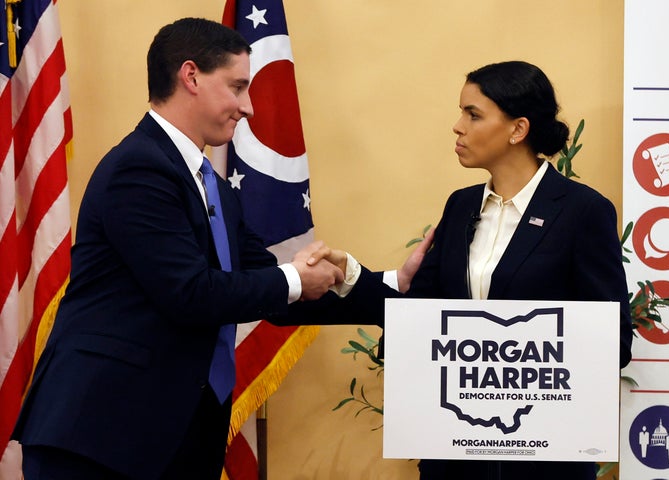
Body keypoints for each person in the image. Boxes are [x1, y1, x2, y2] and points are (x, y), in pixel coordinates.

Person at [11, 17, 429, 480]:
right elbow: (189, 293)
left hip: (176, 437)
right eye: (237, 87)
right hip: (100, 436)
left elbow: (271, 292)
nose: (248, 107)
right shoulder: (138, 169)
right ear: (190, 76)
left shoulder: (215, 189)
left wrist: (387, 284)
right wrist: (294, 277)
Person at [316, 60, 633, 480]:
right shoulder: (461, 205)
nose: (457, 126)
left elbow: (614, 340)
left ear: (518, 130)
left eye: (473, 114)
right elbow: (420, 312)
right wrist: (352, 275)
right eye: (461, 112)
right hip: (455, 459)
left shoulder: (583, 211)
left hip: (544, 463)